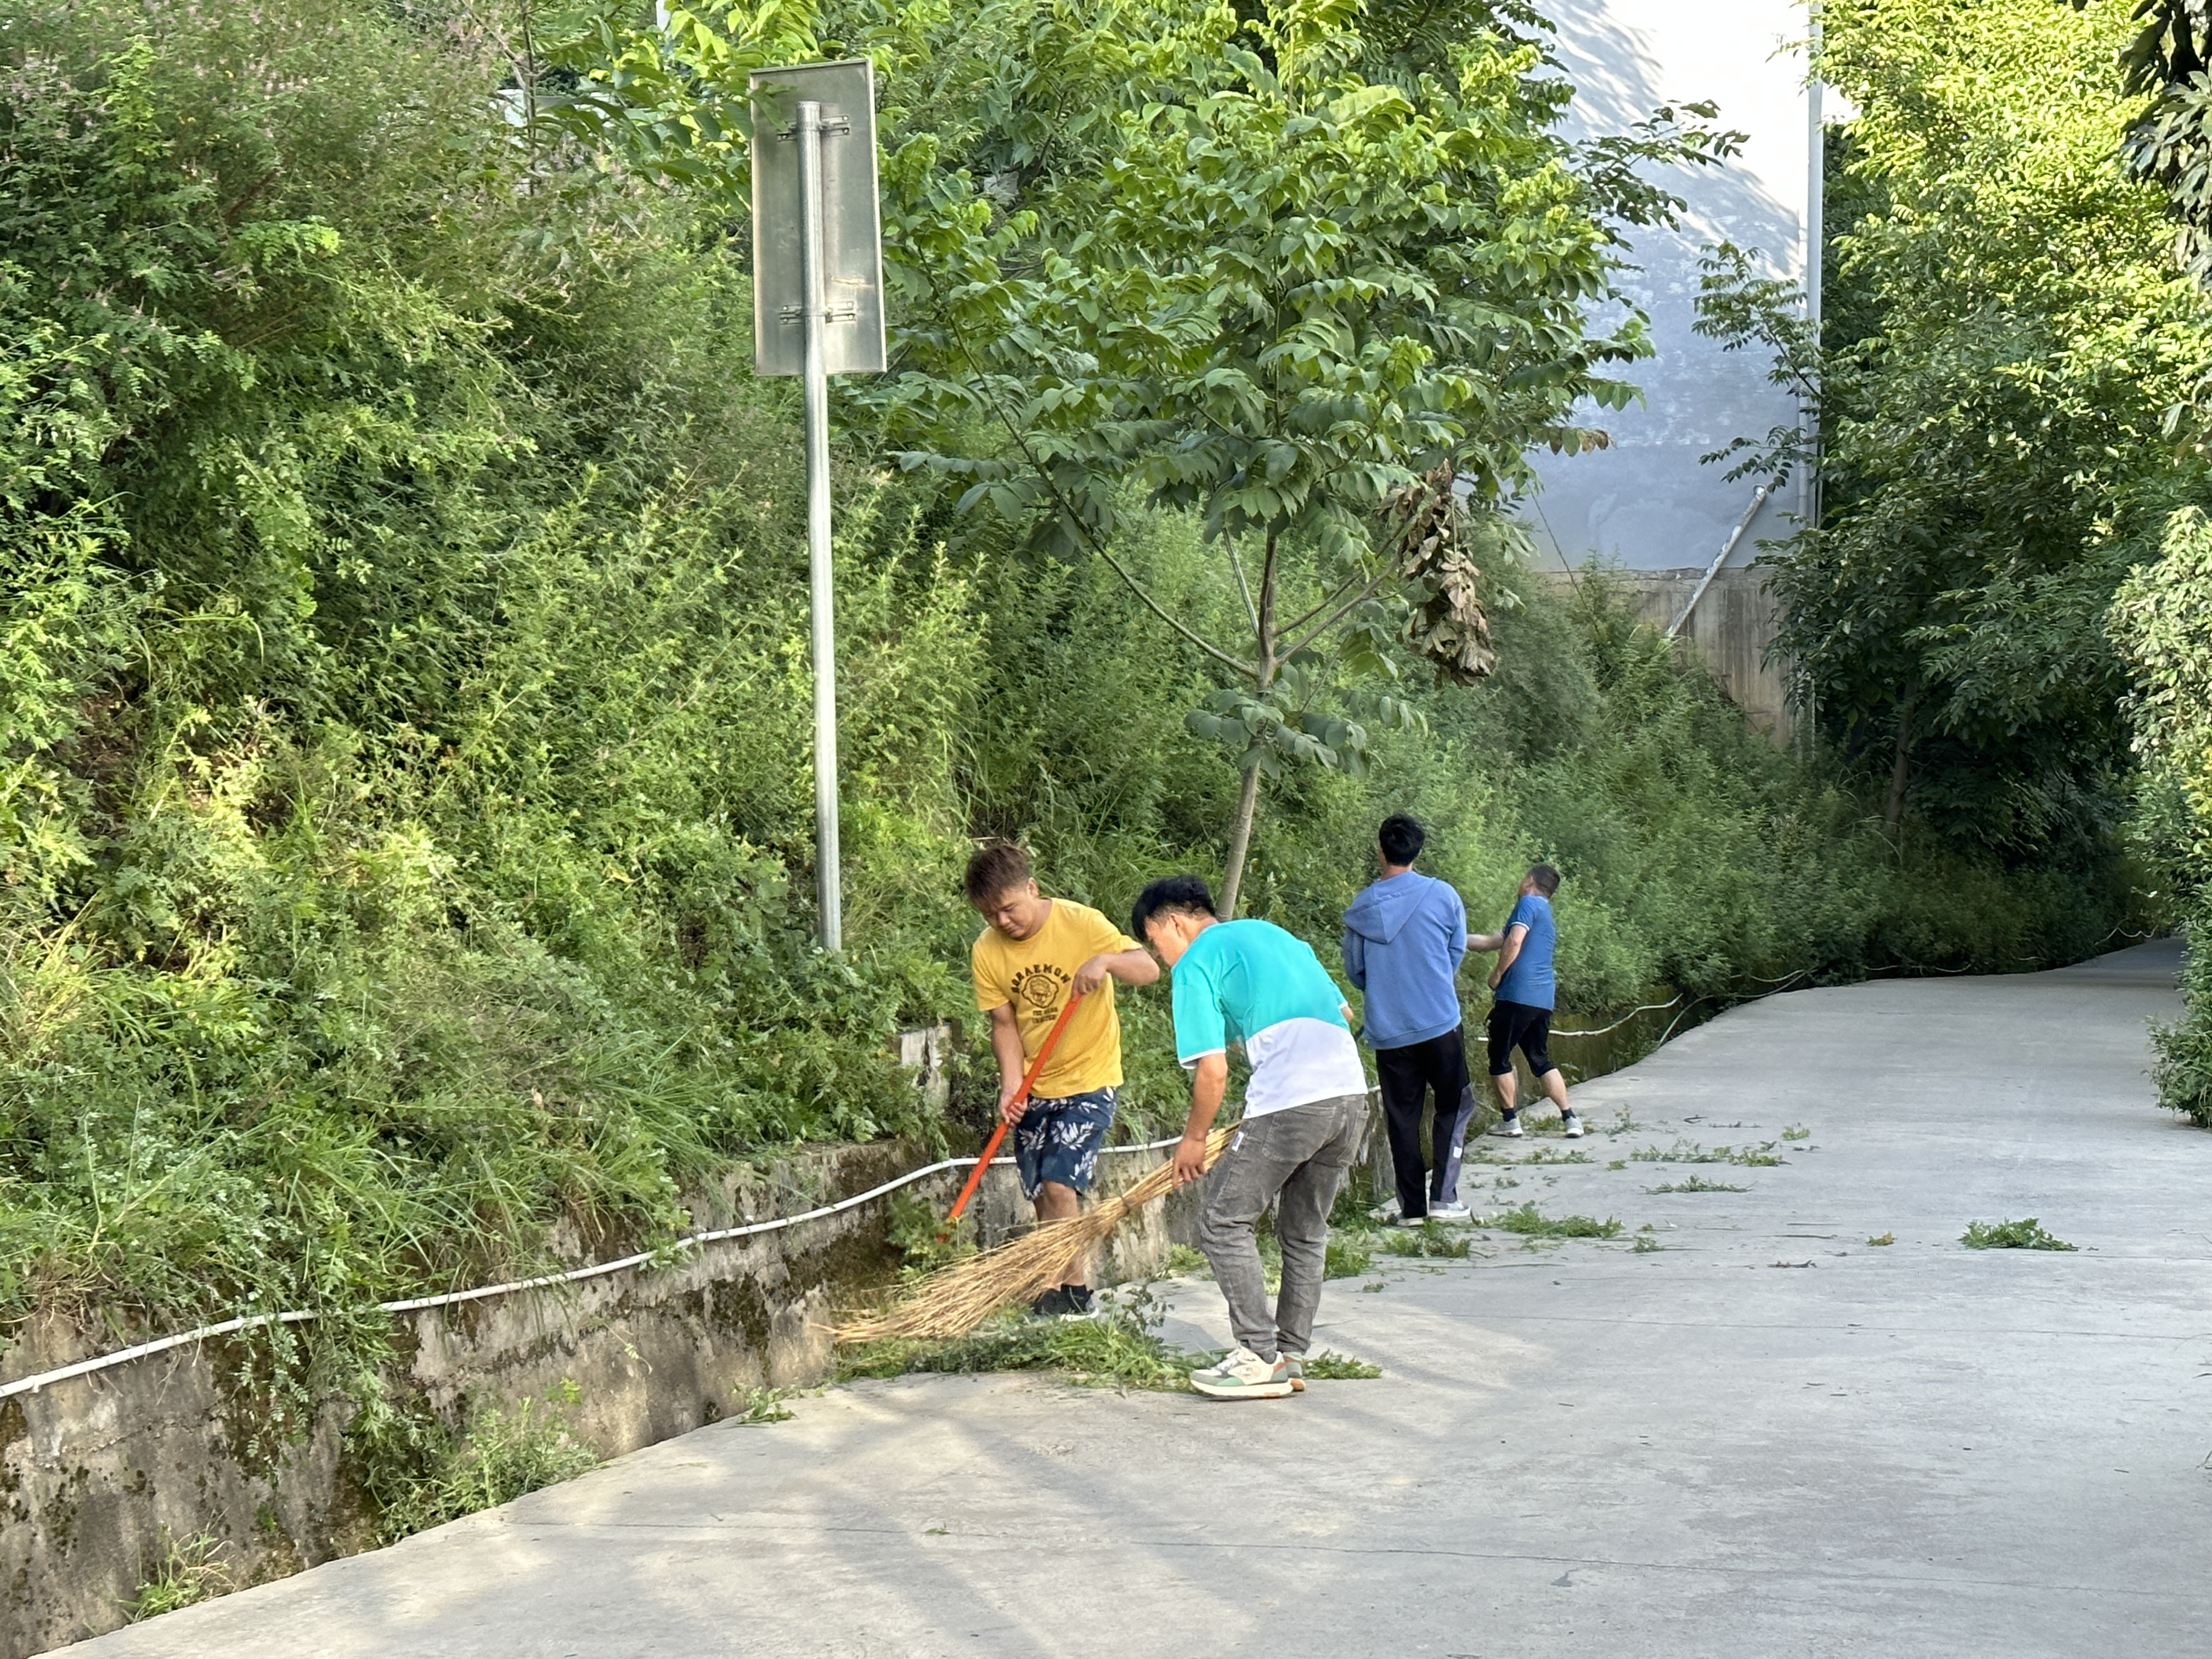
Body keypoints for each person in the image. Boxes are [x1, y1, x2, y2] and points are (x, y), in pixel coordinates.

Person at [1132, 875, 1370, 1401]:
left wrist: (1193, 1140)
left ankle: (1258, 1357)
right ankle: (1290, 1355)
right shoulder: (1278, 936)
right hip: (1350, 1097)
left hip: (1293, 1101)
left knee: (1222, 1220)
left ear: (1174, 923)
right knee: (1304, 1232)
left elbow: (1212, 1071)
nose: (1160, 956)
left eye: (1154, 941)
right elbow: (1345, 1013)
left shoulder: (1196, 963)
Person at [968, 843, 1159, 1317]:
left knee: (1059, 1186)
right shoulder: (987, 950)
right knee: (1039, 1194)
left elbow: (1149, 969)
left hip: (1089, 1078)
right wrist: (1011, 1085)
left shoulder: (1082, 923)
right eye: (990, 915)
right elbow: (1004, 1026)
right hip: (1036, 1083)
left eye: (1009, 909)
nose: (1002, 922)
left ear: (1032, 889)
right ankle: (1055, 1285)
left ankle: (1072, 1289)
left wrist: (1106, 962)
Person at [1341, 813, 1475, 1224]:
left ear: (1380, 850)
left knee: (1402, 1117)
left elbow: (1356, 972)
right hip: (1440, 1021)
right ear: (1418, 850)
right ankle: (1445, 1197)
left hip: (1389, 1030)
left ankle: (1412, 1208)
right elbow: (1455, 951)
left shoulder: (1361, 908)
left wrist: (1387, 988)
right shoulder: (1443, 895)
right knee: (1454, 1104)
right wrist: (1433, 981)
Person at [1470, 862, 1581, 1138]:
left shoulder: (1528, 904)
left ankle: (1510, 1121)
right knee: (1540, 1059)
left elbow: (1514, 941)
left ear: (1530, 881)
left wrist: (1497, 975)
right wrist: (1451, 936)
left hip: (1515, 995)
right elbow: (1491, 941)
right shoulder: (1545, 914)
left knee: (1499, 1058)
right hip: (1542, 1000)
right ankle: (1570, 1118)